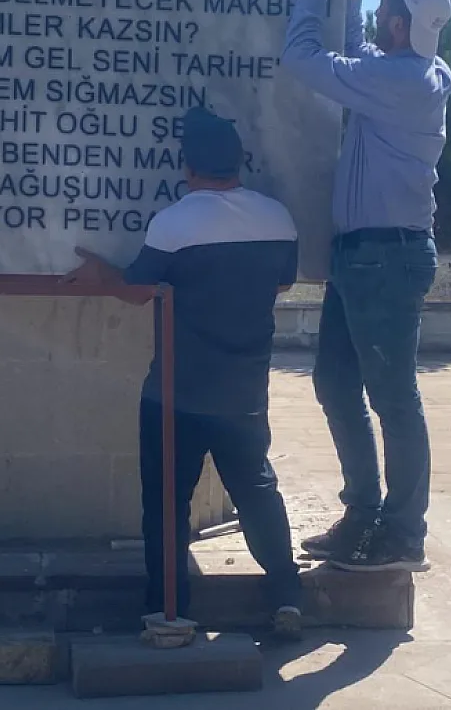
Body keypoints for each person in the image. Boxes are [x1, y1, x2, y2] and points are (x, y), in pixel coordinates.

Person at [67, 106, 306, 640]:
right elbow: (281, 287)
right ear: (240, 162)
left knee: (167, 502)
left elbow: (135, 291)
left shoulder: (175, 222)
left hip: (177, 391)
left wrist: (100, 273)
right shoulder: (278, 219)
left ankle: (169, 610)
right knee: (257, 490)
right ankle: (288, 595)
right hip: (244, 388)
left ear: (186, 165)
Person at [277, 0, 451, 572]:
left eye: (384, 11)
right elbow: (359, 58)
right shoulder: (410, 74)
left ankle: (403, 535)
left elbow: (305, 60)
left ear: (402, 23)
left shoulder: (401, 80)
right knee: (335, 381)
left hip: (384, 256)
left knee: (393, 397)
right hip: (366, 255)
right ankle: (363, 515)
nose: (381, 22)